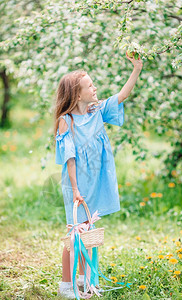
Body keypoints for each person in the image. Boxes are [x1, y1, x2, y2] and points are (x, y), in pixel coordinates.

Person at [54, 51, 143, 299]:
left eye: (93, 84)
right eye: (89, 85)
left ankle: (86, 281)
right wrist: (75, 190)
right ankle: (66, 286)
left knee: (89, 232)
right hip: (78, 184)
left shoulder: (97, 111)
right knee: (75, 234)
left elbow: (122, 95)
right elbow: (69, 158)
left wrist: (136, 68)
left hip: (95, 180)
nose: (95, 88)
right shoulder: (66, 121)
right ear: (77, 94)